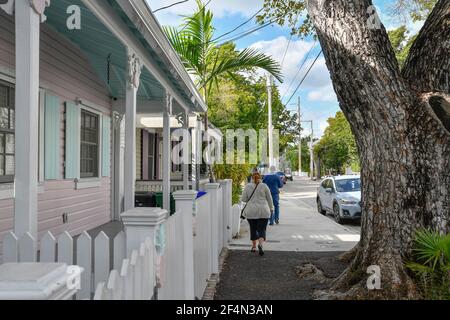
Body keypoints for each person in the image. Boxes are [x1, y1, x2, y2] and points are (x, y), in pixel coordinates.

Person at [241, 172, 274, 256]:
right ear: (260, 178)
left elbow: (244, 199)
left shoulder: (247, 186)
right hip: (263, 211)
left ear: (252, 178)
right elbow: (269, 199)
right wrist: (271, 208)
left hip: (251, 211)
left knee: (253, 228)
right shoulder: (264, 186)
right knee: (262, 229)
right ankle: (261, 244)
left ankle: (254, 246)